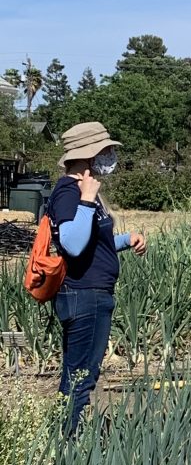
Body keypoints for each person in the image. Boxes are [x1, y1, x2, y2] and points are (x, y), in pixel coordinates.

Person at [47, 121, 147, 433]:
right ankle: (68, 441)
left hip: (94, 293)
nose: (110, 157)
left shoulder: (84, 191)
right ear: (88, 156)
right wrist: (88, 199)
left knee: (77, 371)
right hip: (84, 294)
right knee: (82, 375)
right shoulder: (69, 192)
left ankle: (65, 435)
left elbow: (93, 242)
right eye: (105, 151)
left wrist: (125, 240)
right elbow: (72, 244)